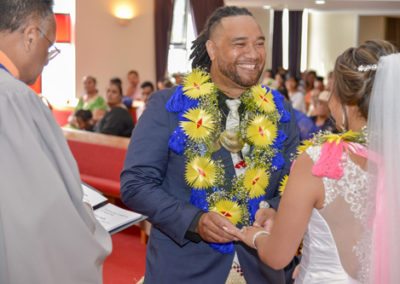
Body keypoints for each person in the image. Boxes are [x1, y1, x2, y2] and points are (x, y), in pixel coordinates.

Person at [121, 6, 299, 284]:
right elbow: (136, 184)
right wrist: (194, 221)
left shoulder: (280, 111)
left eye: (259, 43)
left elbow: (293, 183)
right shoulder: (169, 107)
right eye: (240, 44)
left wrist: (275, 209)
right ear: (212, 50)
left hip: (262, 269)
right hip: (187, 270)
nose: (253, 54)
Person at [225, 40, 399, 283]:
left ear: (345, 100)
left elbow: (277, 256)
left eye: (331, 89)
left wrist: (255, 236)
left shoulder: (321, 160)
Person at [0, 0, 111, 283]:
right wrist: (86, 218)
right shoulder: (16, 100)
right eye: (49, 46)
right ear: (30, 36)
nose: (46, 59)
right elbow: (48, 209)